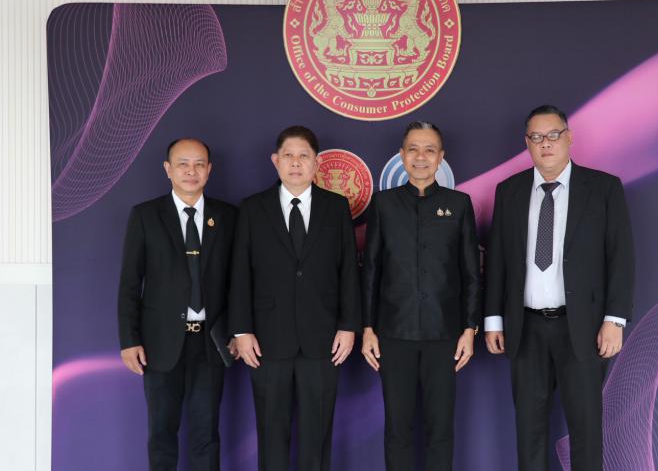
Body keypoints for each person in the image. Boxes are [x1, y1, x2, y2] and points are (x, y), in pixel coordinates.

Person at [484, 105, 635, 471]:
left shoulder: (603, 188)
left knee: (586, 428)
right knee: (529, 429)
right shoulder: (509, 191)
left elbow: (621, 257)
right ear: (527, 144)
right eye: (536, 137)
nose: (545, 144)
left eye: (553, 135)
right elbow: (498, 259)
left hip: (581, 327)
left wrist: (614, 320)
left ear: (568, 137)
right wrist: (493, 320)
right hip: (526, 328)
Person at [229, 125, 360, 471]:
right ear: (276, 161)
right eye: (288, 156)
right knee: (271, 435)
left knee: (317, 437)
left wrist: (349, 325)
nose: (296, 163)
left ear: (317, 163)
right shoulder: (253, 208)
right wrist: (241, 330)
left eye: (304, 156)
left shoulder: (336, 207)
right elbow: (240, 273)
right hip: (267, 340)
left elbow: (349, 270)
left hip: (324, 339)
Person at [361, 121, 481, 471]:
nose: (421, 157)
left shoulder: (459, 204)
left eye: (429, 150)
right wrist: (367, 328)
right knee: (397, 430)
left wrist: (469, 329)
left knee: (440, 430)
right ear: (402, 156)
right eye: (413, 149)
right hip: (393, 334)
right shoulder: (383, 204)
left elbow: (471, 273)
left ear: (441, 157)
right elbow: (371, 270)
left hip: (444, 335)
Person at [117, 138, 238, 471]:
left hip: (210, 342)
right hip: (159, 342)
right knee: (161, 433)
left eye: (199, 164)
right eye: (183, 164)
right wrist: (129, 340)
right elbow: (130, 284)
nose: (191, 171)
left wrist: (237, 331)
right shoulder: (146, 215)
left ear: (209, 170)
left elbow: (239, 281)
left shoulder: (227, 216)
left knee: (206, 434)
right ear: (168, 169)